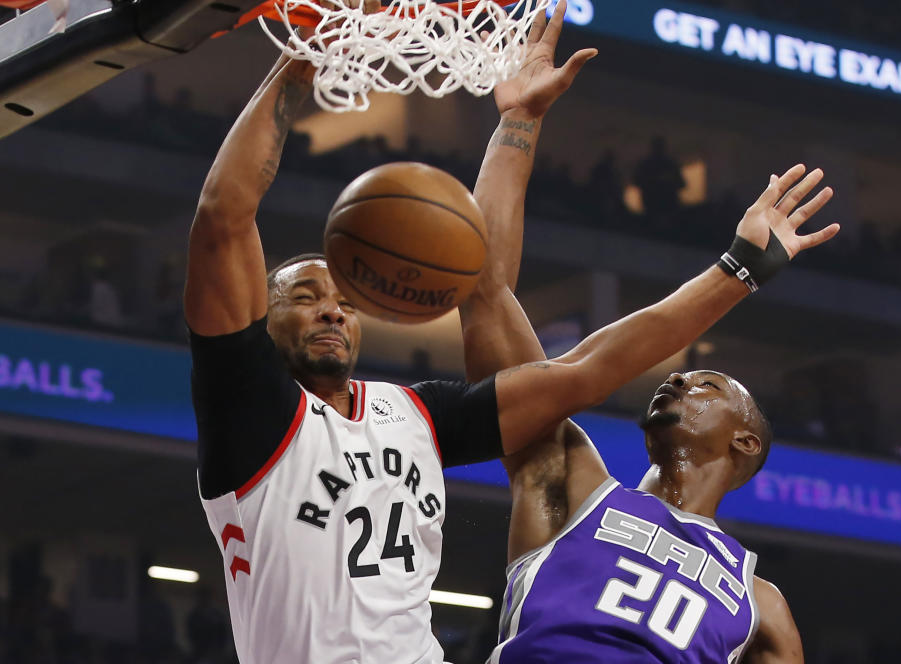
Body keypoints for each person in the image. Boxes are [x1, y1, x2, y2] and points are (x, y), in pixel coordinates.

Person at [185, 3, 596, 662]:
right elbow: (223, 215)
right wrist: (302, 55)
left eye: (345, 300)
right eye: (307, 296)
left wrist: (519, 120)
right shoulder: (249, 410)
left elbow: (487, 295)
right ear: (263, 321)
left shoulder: (414, 413)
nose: (332, 310)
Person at [460, 50, 839, 664]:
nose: (679, 379)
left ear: (746, 442)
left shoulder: (760, 604)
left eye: (707, 383)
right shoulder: (571, 483)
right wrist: (519, 122)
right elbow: (484, 290)